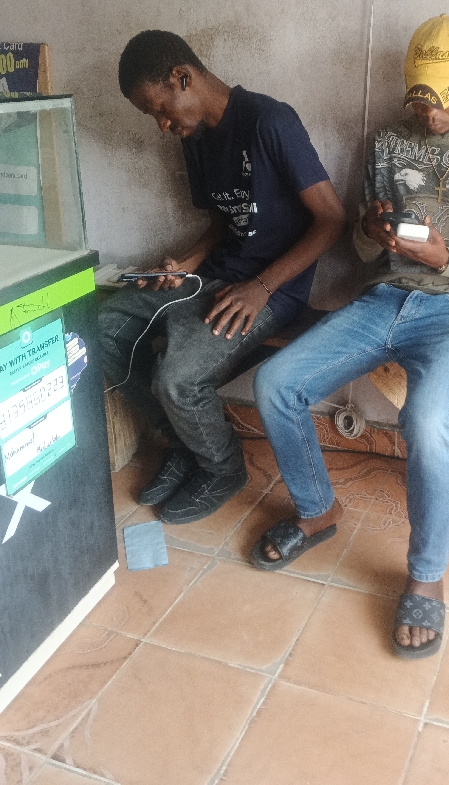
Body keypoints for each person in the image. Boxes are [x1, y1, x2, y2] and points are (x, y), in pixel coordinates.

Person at [251, 14, 449, 658]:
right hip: (384, 298)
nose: (428, 113)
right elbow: (359, 243)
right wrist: (372, 231)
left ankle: (426, 576)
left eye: (442, 99)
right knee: (275, 382)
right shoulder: (386, 142)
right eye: (419, 99)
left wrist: (448, 260)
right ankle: (317, 510)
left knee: (428, 422)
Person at [99, 30, 346, 525]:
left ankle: (222, 468)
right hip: (214, 277)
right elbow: (221, 222)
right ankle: (181, 443)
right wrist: (185, 263)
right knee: (104, 329)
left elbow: (332, 220)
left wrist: (262, 287)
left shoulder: (270, 121)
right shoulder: (195, 138)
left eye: (160, 110)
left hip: (272, 291)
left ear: (182, 77)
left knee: (177, 378)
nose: (163, 125)